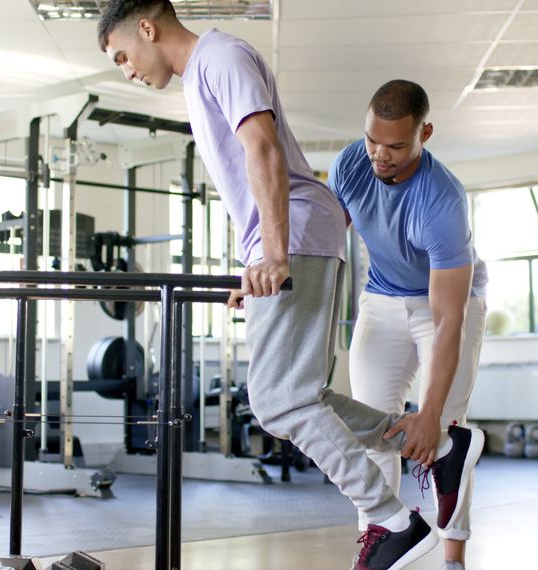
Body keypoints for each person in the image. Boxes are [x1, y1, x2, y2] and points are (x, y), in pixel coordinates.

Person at [97, 4, 483, 568]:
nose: (126, 69)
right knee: (303, 397)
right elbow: (257, 181)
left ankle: (392, 518)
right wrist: (251, 261)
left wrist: (275, 252)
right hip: (299, 241)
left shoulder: (220, 57)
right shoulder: (208, 69)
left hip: (299, 239)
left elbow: (264, 149)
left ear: (148, 28)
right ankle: (443, 451)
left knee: (277, 402)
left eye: (122, 55)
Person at [329, 79, 489, 570]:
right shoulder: (352, 163)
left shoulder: (442, 202)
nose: (380, 154)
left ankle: (454, 556)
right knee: (370, 428)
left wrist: (429, 413)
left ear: (426, 134)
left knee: (445, 432)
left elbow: (448, 319)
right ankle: (378, 543)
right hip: (381, 300)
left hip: (444, 308)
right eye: (372, 139)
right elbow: (322, 241)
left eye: (396, 145)